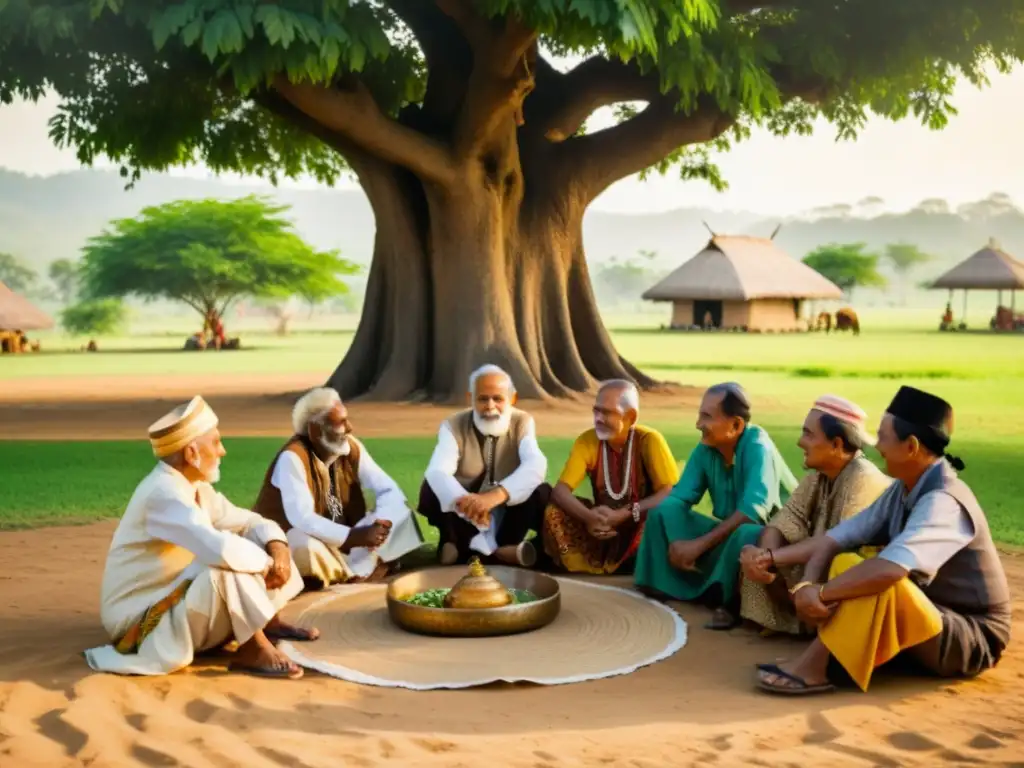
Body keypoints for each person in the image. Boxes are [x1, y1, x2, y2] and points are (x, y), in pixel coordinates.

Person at [755, 386, 1011, 695]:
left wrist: (820, 594)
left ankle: (814, 667)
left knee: (880, 578)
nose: (877, 447)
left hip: (969, 638)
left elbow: (889, 570)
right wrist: (808, 586)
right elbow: (835, 540)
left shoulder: (943, 500)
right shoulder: (902, 489)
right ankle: (824, 656)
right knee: (848, 562)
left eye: (884, 438)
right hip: (929, 613)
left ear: (911, 446)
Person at [84, 396, 314, 680]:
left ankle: (265, 620)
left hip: (173, 594)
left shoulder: (196, 489)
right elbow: (219, 550)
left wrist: (277, 547)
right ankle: (252, 647)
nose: (223, 451)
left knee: (259, 541)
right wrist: (271, 564)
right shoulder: (163, 494)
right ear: (192, 453)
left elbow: (250, 521)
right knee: (225, 567)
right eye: (216, 443)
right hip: (140, 620)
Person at [634, 382, 797, 629]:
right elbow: (679, 497)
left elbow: (752, 513)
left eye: (707, 417)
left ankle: (726, 600)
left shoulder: (757, 446)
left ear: (736, 425)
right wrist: (678, 540)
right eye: (700, 415)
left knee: (746, 532)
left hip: (769, 540)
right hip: (729, 537)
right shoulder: (706, 448)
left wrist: (697, 546)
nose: (698, 424)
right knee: (663, 511)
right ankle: (660, 583)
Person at [738, 395, 891, 635]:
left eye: (809, 434)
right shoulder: (819, 474)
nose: (800, 442)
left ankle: (821, 630)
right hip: (820, 567)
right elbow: (785, 519)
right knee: (758, 543)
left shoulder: (862, 477)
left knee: (841, 564)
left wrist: (770, 558)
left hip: (856, 575)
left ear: (837, 445)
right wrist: (765, 560)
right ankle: (796, 623)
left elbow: (835, 543)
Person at [252, 387, 423, 588]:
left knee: (403, 515)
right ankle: (367, 569)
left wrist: (381, 525)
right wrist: (353, 537)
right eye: (341, 422)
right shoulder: (292, 458)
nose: (349, 427)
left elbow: (388, 490)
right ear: (315, 430)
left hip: (345, 540)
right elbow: (302, 519)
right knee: (303, 546)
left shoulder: (350, 447)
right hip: (302, 539)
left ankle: (354, 572)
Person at [542, 379, 679, 574]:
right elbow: (561, 491)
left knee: (660, 516)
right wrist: (589, 517)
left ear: (630, 417)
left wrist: (625, 513)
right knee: (554, 512)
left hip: (639, 527)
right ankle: (585, 563)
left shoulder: (650, 440)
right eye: (596, 411)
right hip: (600, 529)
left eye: (606, 412)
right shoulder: (587, 440)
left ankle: (637, 564)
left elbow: (669, 492)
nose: (598, 418)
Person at [420, 364, 549, 566]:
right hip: (464, 512)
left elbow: (536, 464)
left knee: (541, 492)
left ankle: (463, 549)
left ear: (512, 399)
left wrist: (495, 496)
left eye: (498, 399)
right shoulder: (453, 424)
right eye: (482, 399)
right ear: (470, 398)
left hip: (507, 507)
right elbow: (438, 471)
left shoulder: (522, 421)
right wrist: (471, 506)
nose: (490, 406)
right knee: (431, 486)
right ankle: (500, 554)